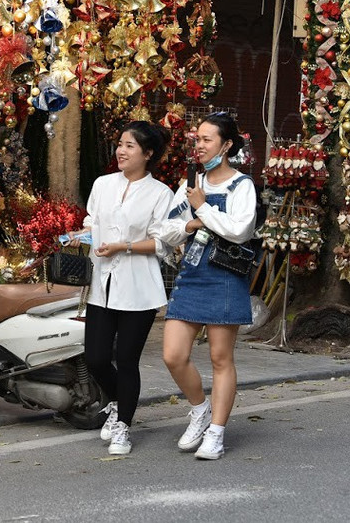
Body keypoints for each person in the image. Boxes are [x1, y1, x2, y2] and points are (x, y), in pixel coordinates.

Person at [151, 113, 257, 461]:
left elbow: (239, 230)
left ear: (226, 145)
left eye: (207, 140)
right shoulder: (190, 184)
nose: (199, 146)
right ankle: (199, 410)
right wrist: (192, 222)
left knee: (220, 358)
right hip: (192, 273)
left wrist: (202, 210)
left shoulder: (241, 185)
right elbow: (164, 229)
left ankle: (216, 432)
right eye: (197, 140)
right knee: (173, 355)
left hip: (225, 276)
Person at [76, 121, 174, 456]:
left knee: (127, 359)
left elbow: (161, 243)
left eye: (130, 146)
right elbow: (92, 219)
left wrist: (124, 246)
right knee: (96, 358)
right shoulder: (103, 184)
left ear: (147, 154)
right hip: (103, 285)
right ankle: (118, 403)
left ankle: (124, 427)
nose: (121, 150)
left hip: (139, 288)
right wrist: (84, 234)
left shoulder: (161, 194)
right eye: (120, 143)